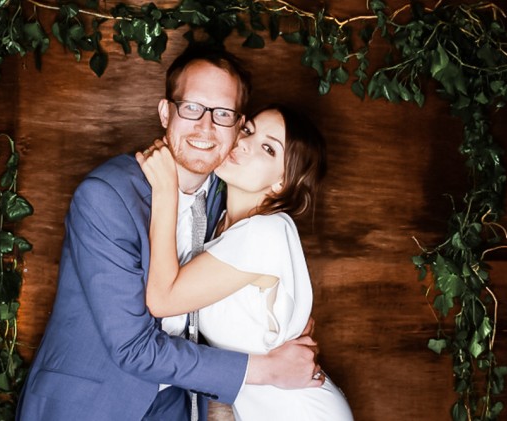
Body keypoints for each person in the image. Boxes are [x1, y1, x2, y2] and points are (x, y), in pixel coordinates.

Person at [15, 44, 324, 421]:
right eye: (192, 107)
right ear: (166, 113)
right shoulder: (106, 198)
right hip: (92, 405)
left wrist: (286, 328)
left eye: (223, 114)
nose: (205, 128)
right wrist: (268, 366)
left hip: (176, 407)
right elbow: (133, 347)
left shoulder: (229, 202)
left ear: (236, 126)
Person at [137, 105, 355, 420]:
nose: (243, 144)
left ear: (283, 182)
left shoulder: (264, 232)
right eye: (248, 130)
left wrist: (165, 190)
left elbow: (162, 299)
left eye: (268, 149)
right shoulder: (223, 225)